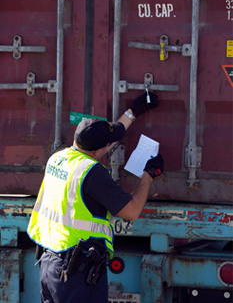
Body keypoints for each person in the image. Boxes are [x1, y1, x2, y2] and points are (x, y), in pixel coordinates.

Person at [27, 92, 164, 303]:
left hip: (49, 264)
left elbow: (107, 135)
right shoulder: (91, 172)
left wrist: (133, 112)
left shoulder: (58, 157)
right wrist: (148, 175)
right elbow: (132, 211)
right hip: (76, 275)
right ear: (99, 150)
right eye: (109, 144)